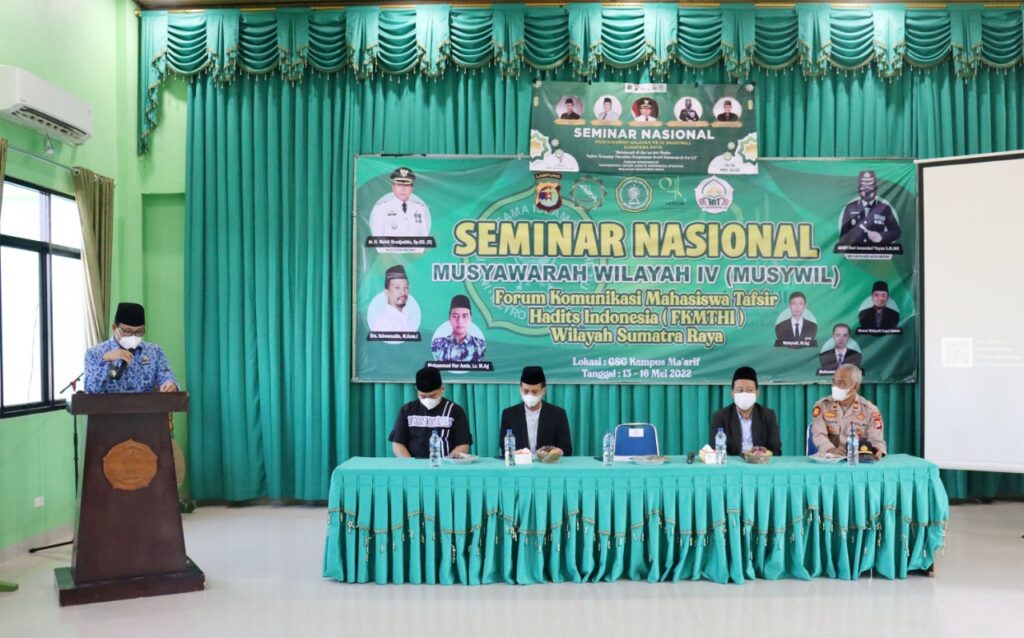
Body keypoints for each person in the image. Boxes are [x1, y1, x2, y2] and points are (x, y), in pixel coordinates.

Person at [84, 302, 178, 393]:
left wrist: (170, 384)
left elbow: (166, 376)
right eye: (127, 331)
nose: (133, 336)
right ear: (114, 328)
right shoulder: (94, 353)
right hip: (109, 404)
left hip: (146, 404)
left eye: (139, 331)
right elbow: (91, 389)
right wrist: (106, 360)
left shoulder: (154, 352)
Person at [388, 367, 472, 458]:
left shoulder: (455, 410)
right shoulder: (406, 410)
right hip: (414, 464)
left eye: (433, 396)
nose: (428, 400)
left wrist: (448, 462)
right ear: (416, 390)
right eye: (423, 396)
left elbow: (463, 444)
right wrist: (411, 464)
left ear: (442, 389)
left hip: (444, 464)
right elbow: (398, 444)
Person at [810, 364, 887, 458]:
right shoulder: (822, 406)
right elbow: (819, 435)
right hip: (831, 459)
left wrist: (877, 451)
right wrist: (830, 449)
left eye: (841, 383)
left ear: (855, 387)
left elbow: (877, 442)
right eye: (834, 382)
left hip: (858, 460)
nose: (835, 386)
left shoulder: (870, 411)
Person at [498, 366, 573, 456]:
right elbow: (504, 449)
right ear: (520, 389)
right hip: (520, 463)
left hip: (547, 463)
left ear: (543, 390)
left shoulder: (558, 414)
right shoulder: (509, 415)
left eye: (535, 392)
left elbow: (566, 450)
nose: (530, 395)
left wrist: (553, 454)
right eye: (526, 391)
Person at [709, 366, 782, 456]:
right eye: (740, 390)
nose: (744, 394)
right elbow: (715, 449)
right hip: (731, 463)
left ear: (757, 393)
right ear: (732, 393)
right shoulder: (720, 416)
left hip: (760, 462)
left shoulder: (768, 415)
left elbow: (775, 449)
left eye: (749, 390)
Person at [838, 170, 901, 246]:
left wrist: (881, 236)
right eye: (864, 186)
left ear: (876, 187)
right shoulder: (850, 208)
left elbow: (896, 232)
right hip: (855, 252)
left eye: (870, 185)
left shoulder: (884, 208)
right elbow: (843, 236)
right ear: (859, 188)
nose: (867, 189)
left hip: (876, 251)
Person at [369, 167, 431, 238]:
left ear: (412, 188)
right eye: (399, 184)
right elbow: (377, 237)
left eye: (407, 185)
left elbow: (424, 237)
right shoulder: (381, 208)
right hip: (390, 246)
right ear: (393, 187)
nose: (403, 189)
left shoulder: (420, 208)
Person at [431, 295, 487, 362]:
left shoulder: (481, 345)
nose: (460, 321)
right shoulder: (437, 344)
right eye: (455, 316)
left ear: (470, 318)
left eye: (464, 316)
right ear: (449, 318)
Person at [370, 265, 414, 332]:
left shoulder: (406, 317)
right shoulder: (384, 323)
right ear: (386, 292)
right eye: (397, 287)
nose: (403, 292)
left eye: (406, 287)